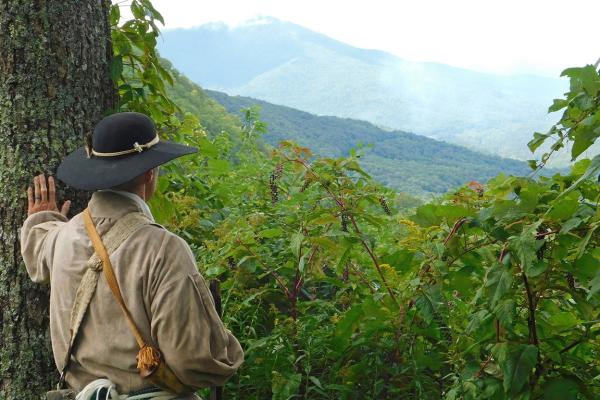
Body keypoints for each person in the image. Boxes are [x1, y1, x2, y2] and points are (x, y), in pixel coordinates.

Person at [21, 112, 244, 399]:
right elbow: (195, 362)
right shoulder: (164, 249)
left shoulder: (60, 240)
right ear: (149, 173)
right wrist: (226, 350)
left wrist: (42, 219)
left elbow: (37, 253)